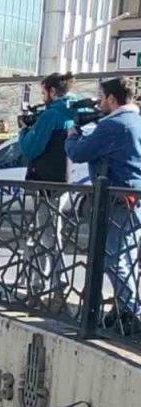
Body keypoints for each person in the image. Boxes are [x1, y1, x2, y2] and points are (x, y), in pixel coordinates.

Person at [67, 77, 141, 333]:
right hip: (132, 198)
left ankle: (132, 312)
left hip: (118, 200)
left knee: (114, 258)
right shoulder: (136, 121)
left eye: (101, 98)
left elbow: (78, 153)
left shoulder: (115, 125)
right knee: (127, 256)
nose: (98, 103)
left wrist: (72, 136)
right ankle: (124, 310)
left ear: (112, 99)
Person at [18, 72, 77, 311]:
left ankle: (50, 289)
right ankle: (50, 287)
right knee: (51, 235)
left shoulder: (52, 114)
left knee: (47, 237)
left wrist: (23, 130)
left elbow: (31, 148)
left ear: (53, 92)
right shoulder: (74, 111)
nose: (42, 98)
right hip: (62, 180)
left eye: (43, 92)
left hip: (45, 182)